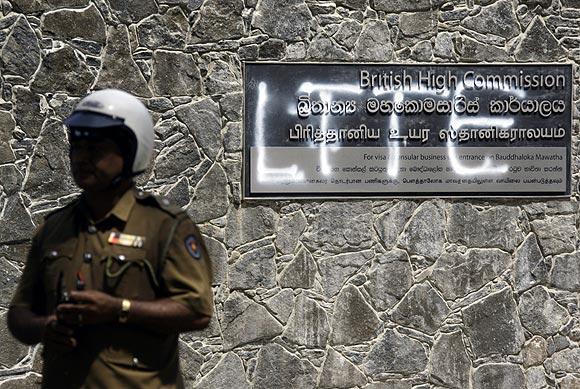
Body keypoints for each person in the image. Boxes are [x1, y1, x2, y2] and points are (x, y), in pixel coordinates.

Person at [7, 89, 213, 388]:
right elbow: (19, 314)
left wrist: (118, 309)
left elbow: (197, 311)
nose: (82, 158)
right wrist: (45, 327)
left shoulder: (165, 226)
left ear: (130, 152)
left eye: (96, 148)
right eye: (76, 147)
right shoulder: (54, 228)